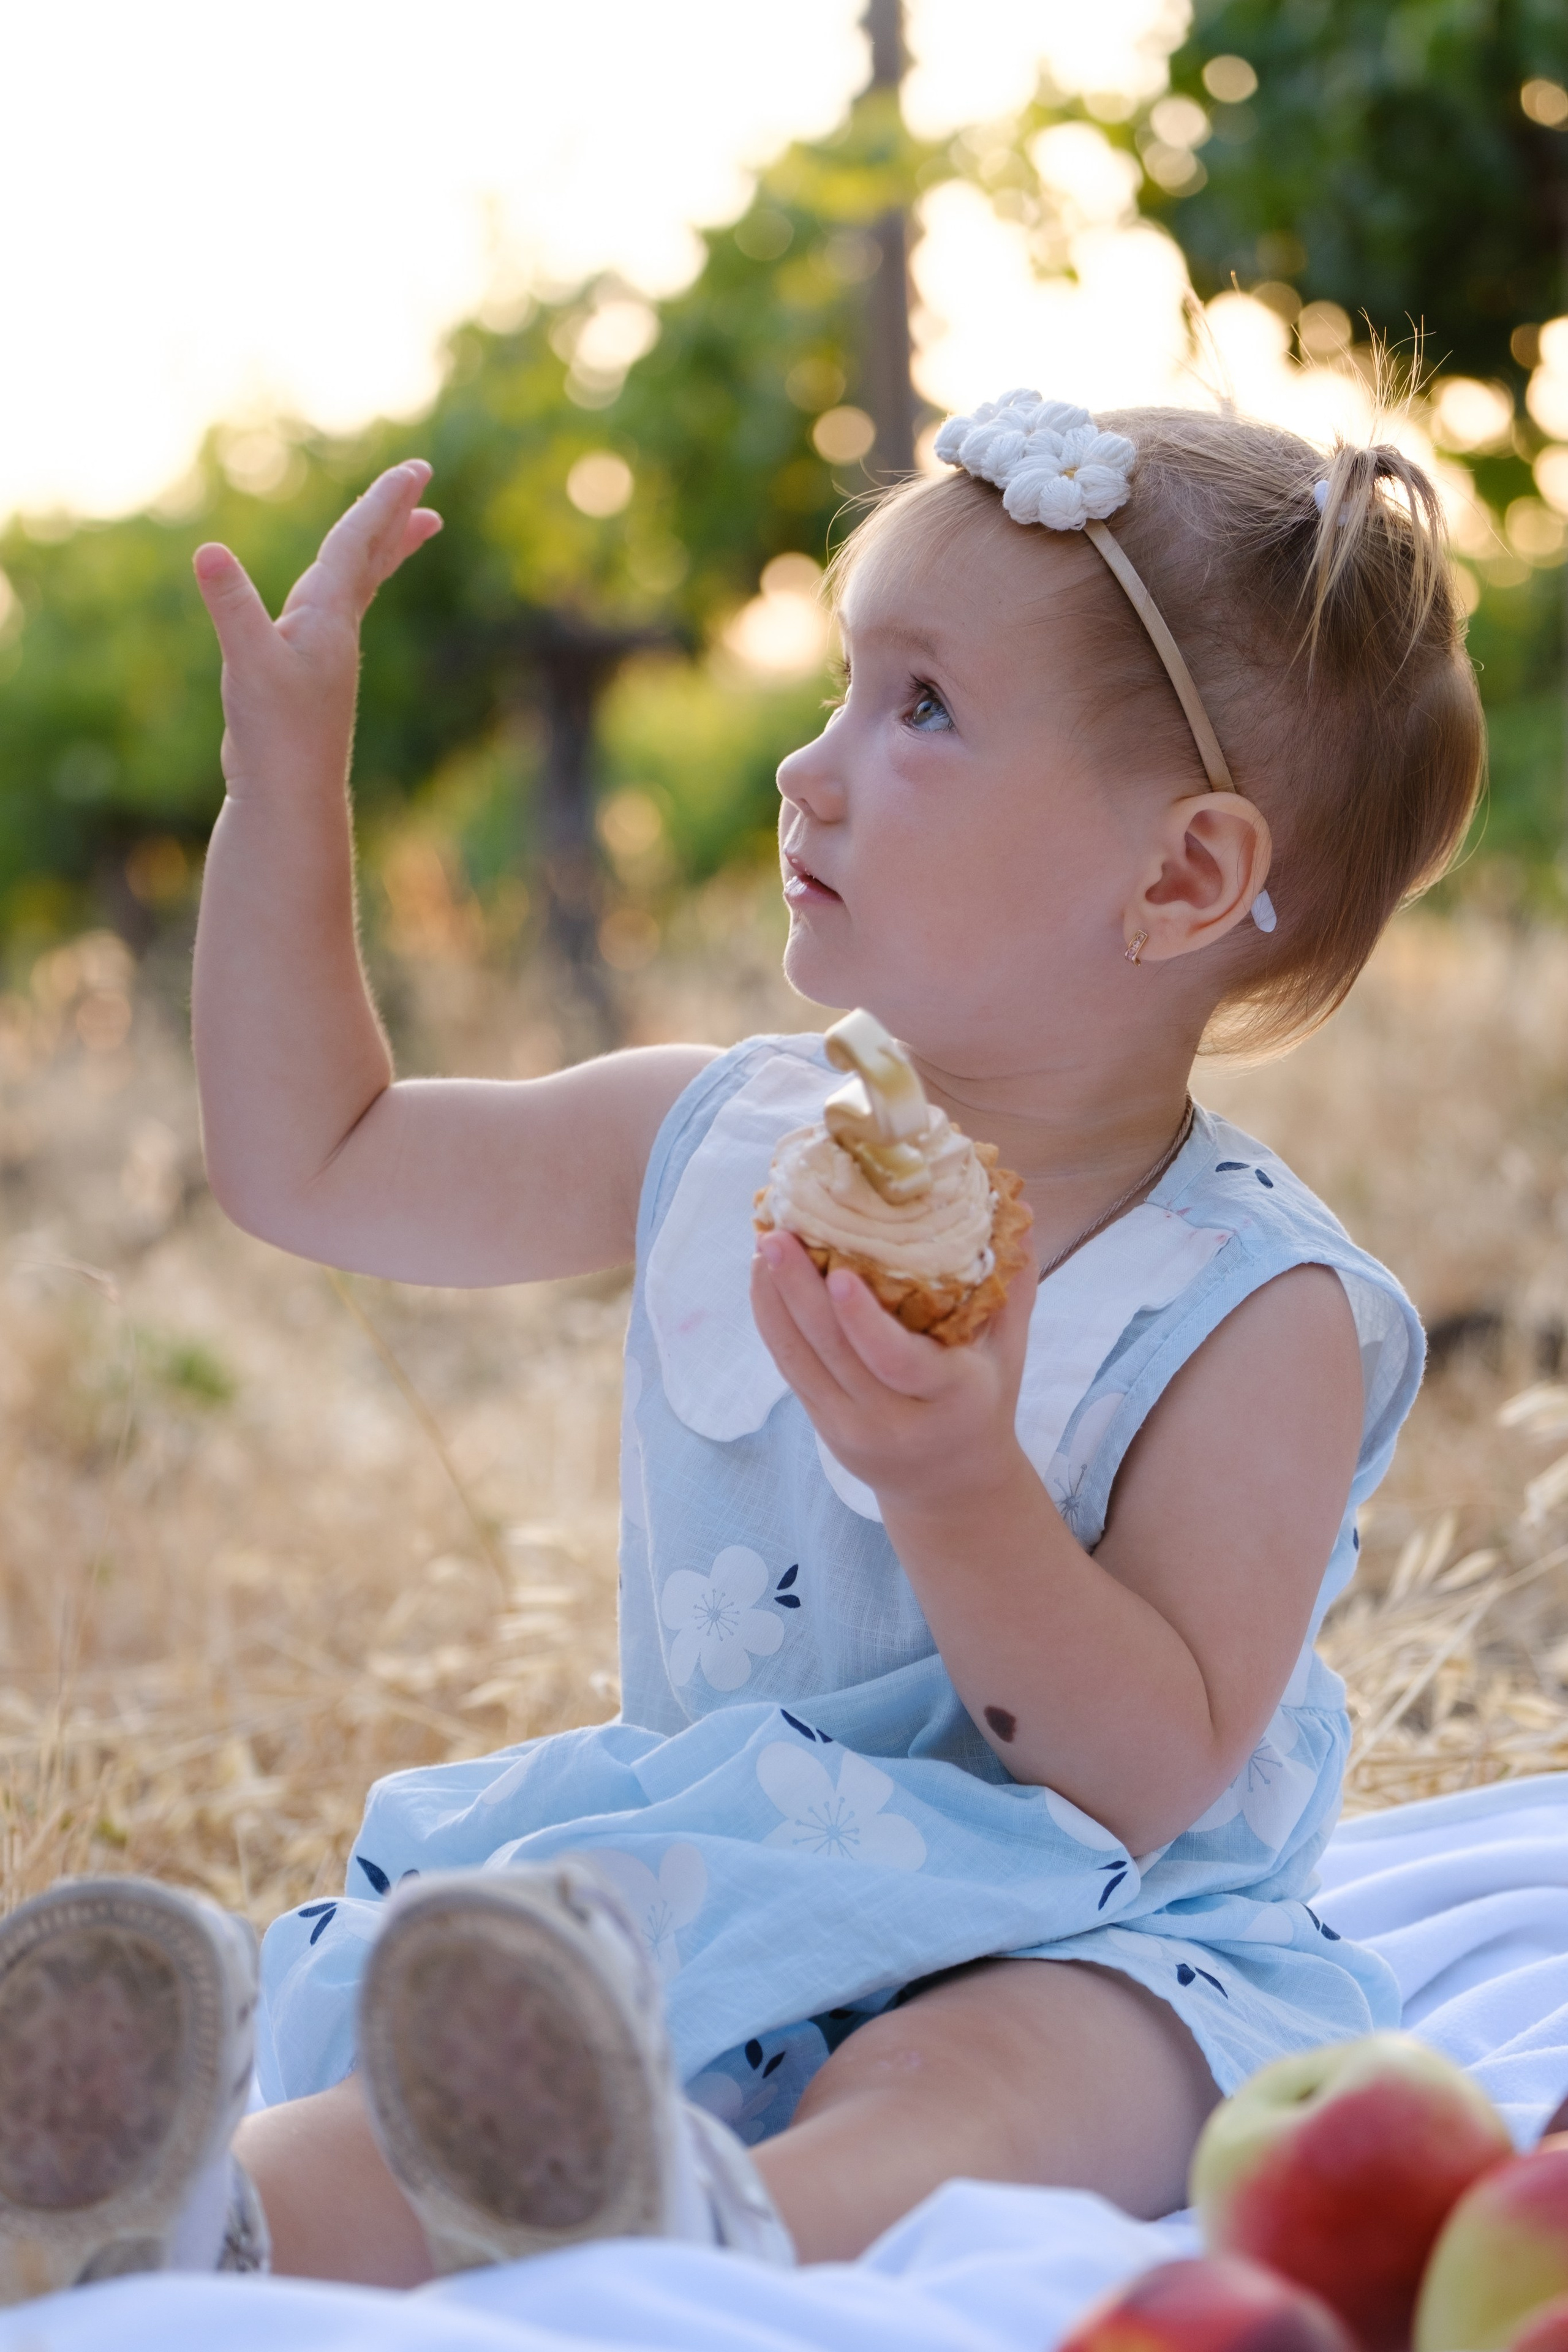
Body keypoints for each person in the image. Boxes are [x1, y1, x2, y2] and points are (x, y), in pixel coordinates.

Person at [0, 393, 1484, 2304]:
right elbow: (316, 1162)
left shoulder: (1250, 1306)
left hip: (1080, 1924)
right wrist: (284, 795)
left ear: (1185, 878)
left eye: (921, 708)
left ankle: (736, 2226)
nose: (809, 766)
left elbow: (1141, 1775)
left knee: (1009, 2070)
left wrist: (958, 1481)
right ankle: (192, 2218)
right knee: (480, 2060)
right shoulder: (716, 1137)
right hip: (720, 1884)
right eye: (843, 688)